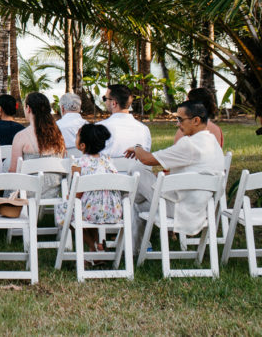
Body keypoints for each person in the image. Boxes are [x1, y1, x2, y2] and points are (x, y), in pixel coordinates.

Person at [125, 101, 225, 235]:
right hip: (202, 208)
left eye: (180, 119)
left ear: (196, 120)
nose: (177, 124)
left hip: (180, 208)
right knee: (136, 205)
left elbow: (146, 159)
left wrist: (137, 147)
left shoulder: (189, 144)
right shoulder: (212, 142)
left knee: (137, 169)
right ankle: (131, 249)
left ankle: (124, 199)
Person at [68, 122, 123, 253]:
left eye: (76, 136)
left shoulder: (78, 163)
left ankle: (93, 246)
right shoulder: (107, 161)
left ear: (82, 145)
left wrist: (70, 197)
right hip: (113, 211)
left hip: (90, 211)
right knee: (89, 208)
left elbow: (78, 193)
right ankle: (96, 248)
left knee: (65, 214)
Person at [8, 92, 67, 172]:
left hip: (29, 184)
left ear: (28, 108)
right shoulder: (57, 134)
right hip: (57, 183)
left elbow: (14, 171)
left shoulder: (21, 136)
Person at [99, 84, 151, 157]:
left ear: (114, 103)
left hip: (110, 167)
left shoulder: (99, 128)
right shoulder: (144, 129)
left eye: (105, 98)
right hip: (138, 168)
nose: (105, 101)